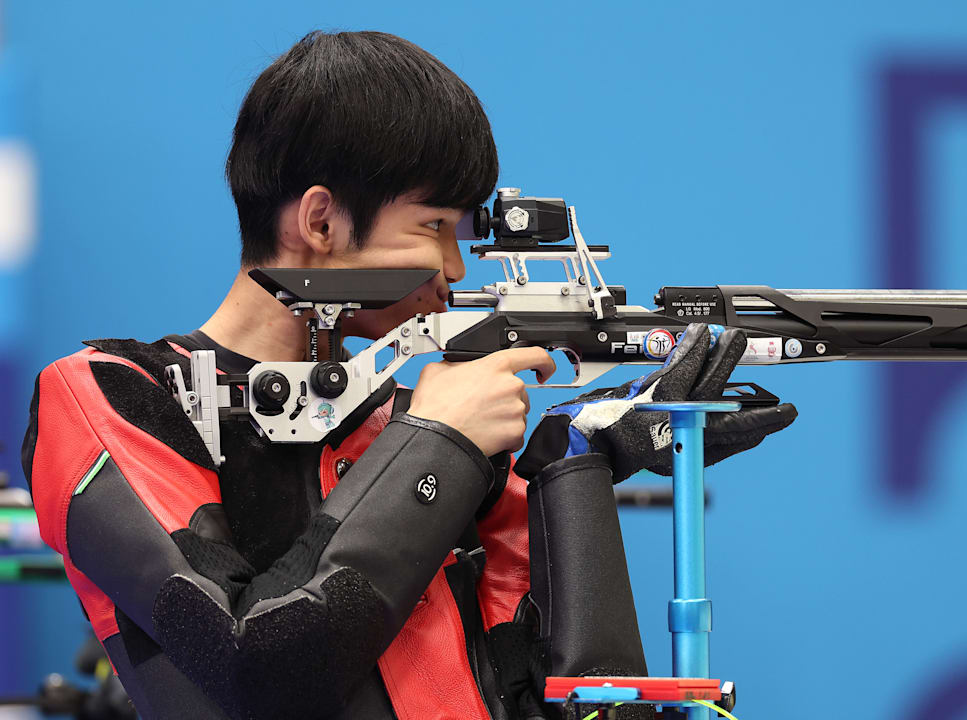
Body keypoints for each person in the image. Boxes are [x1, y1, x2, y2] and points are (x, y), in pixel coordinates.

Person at [20, 30, 796, 720]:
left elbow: (538, 674)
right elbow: (254, 667)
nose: (454, 271)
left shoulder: (407, 421)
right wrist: (438, 443)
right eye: (432, 228)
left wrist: (581, 452)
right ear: (320, 222)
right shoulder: (111, 393)